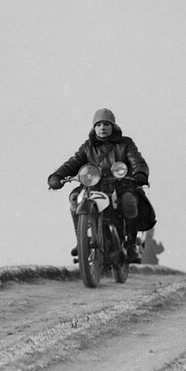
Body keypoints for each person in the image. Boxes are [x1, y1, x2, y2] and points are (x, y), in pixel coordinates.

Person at [47, 108, 149, 264]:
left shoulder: (125, 143)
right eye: (98, 124)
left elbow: (137, 161)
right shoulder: (88, 146)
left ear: (113, 126)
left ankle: (130, 246)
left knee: (128, 201)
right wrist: (57, 176)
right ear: (94, 127)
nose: (102, 128)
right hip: (93, 186)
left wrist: (140, 173)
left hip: (120, 185)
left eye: (106, 124)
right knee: (75, 198)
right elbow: (73, 163)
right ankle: (82, 241)